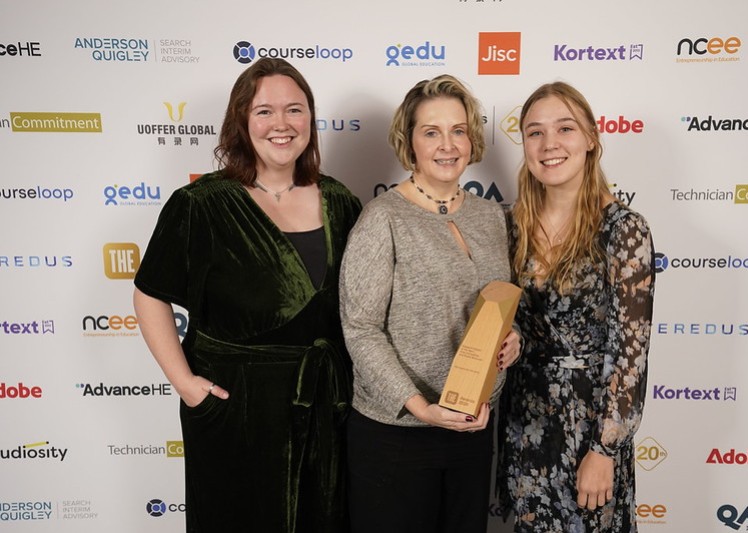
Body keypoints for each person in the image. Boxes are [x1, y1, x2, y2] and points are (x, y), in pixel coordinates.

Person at [132, 57, 362, 533]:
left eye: (295, 110)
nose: (282, 124)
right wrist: (187, 385)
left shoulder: (342, 201)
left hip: (324, 406)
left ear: (310, 121)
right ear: (241, 120)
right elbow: (149, 294)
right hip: (234, 410)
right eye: (264, 111)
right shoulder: (200, 204)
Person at [339, 74, 522, 533]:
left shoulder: (489, 217)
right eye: (432, 132)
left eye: (458, 130)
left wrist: (513, 341)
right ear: (410, 142)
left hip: (471, 430)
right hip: (397, 435)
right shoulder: (382, 218)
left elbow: (497, 311)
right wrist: (421, 407)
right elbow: (360, 329)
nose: (448, 144)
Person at [497, 81, 655, 532]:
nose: (549, 145)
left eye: (564, 128)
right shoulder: (513, 226)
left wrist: (605, 451)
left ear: (591, 138)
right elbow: (523, 325)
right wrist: (512, 341)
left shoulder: (624, 231)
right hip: (524, 418)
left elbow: (631, 354)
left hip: (590, 428)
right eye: (534, 132)